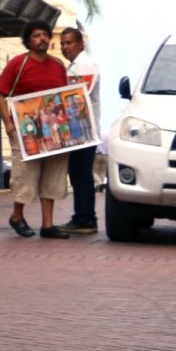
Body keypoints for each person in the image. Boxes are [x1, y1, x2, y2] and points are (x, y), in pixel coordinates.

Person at [0, 21, 71, 239]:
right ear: (28, 40)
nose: (42, 39)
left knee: (53, 175)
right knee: (25, 175)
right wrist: (8, 123)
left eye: (45, 35)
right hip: (25, 129)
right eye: (37, 35)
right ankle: (17, 217)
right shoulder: (18, 64)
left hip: (54, 131)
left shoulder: (58, 65)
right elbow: (1, 93)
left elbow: (63, 98)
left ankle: (47, 226)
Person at [59, 26, 100, 233]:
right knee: (78, 174)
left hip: (83, 131)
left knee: (81, 175)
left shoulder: (84, 65)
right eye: (62, 44)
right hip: (78, 132)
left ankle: (85, 219)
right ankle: (83, 216)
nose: (65, 47)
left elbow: (76, 97)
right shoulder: (76, 65)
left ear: (80, 44)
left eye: (69, 42)